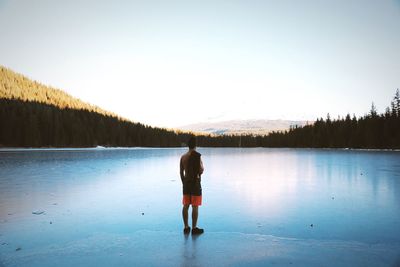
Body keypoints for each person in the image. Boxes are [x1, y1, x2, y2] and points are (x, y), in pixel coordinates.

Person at [180, 136, 204, 235]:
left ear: (188, 145)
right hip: (195, 183)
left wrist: (184, 182)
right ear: (195, 145)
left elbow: (181, 172)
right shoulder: (197, 156)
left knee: (185, 205)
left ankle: (186, 227)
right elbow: (201, 170)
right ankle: (194, 228)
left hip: (186, 183)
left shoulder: (183, 157)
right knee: (195, 206)